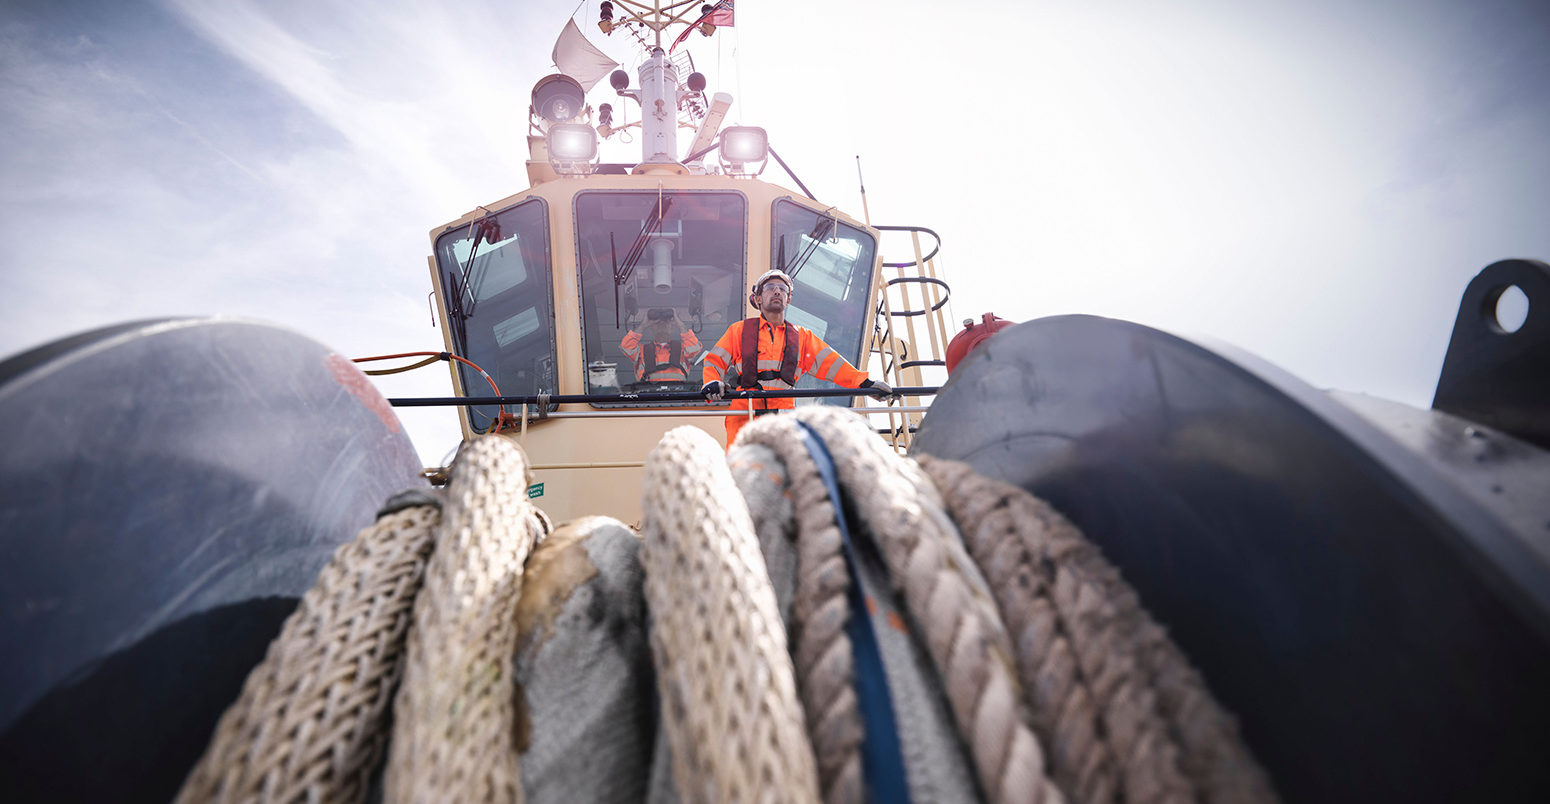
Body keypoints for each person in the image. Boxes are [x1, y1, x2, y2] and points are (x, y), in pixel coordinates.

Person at [700, 269, 894, 448]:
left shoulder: (803, 337)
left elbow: (833, 364)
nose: (777, 292)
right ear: (758, 299)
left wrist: (866, 384)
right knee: (741, 470)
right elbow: (715, 361)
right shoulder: (739, 330)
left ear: (788, 299)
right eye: (770, 288)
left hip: (785, 415)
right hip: (744, 411)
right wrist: (712, 383)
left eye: (782, 289)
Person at [621, 307, 702, 383]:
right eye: (658, 324)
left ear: (672, 327)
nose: (662, 326)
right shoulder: (641, 350)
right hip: (648, 396)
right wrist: (643, 325)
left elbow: (694, 348)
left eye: (666, 323)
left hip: (678, 396)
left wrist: (680, 324)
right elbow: (626, 347)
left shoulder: (683, 349)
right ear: (651, 328)